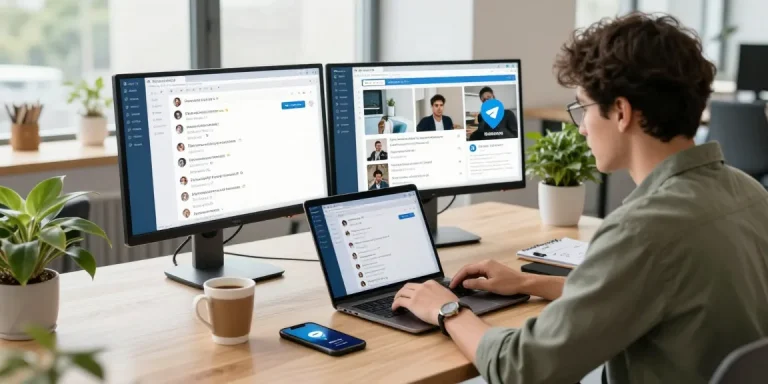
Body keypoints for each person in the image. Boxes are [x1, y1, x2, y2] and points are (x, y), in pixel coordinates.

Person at [389, 13, 768, 384]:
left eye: (582, 108)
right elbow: (642, 294)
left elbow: (521, 369)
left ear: (621, 112)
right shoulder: (749, 193)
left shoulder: (643, 230)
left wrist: (446, 309)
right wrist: (528, 283)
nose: (582, 127)